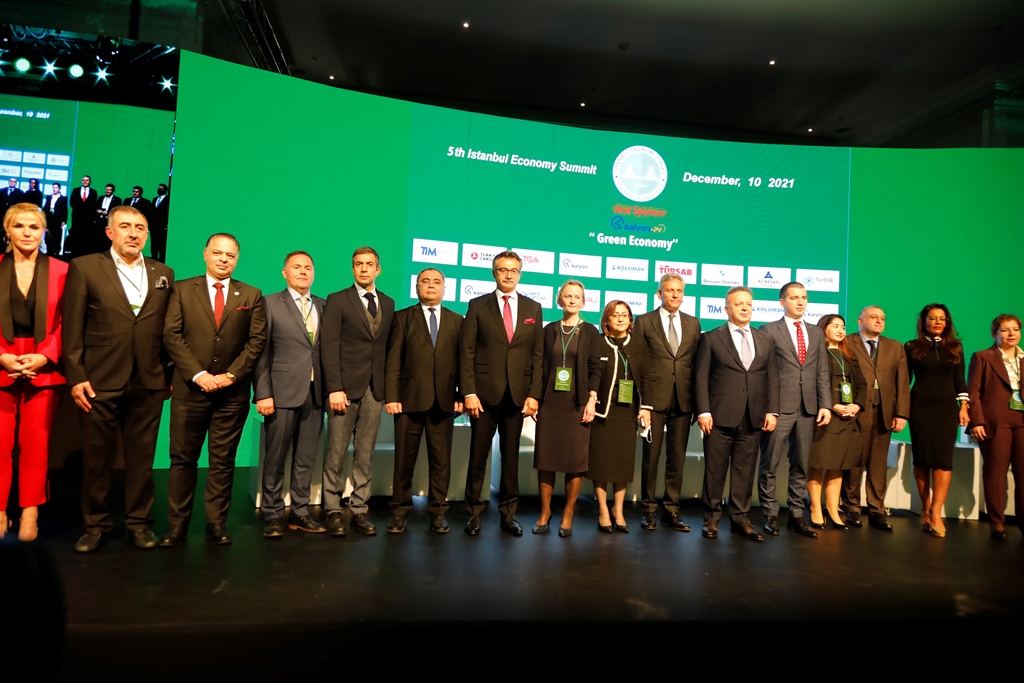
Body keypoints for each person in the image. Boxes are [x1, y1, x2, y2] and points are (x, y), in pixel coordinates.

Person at [64, 205, 175, 553]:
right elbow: (72, 326)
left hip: (149, 380)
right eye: (125, 226)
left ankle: (139, 523)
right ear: (109, 232)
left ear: (147, 234)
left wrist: (168, 373)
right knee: (98, 460)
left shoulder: (163, 272)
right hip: (99, 379)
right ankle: (95, 525)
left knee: (142, 460)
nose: (133, 233)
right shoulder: (85, 267)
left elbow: (168, 330)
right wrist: (76, 375)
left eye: (140, 228)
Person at [160, 233, 266, 547]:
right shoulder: (181, 289)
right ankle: (177, 526)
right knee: (183, 460)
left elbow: (256, 341)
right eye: (218, 253)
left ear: (237, 259)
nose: (224, 259)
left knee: (223, 462)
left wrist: (231, 375)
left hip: (231, 395)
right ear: (206, 254)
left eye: (230, 255)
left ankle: (216, 523)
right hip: (190, 391)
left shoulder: (251, 294)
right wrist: (198, 374)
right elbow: (171, 335)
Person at [460, 250, 544, 536]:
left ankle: (509, 513)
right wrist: (468, 391)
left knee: (511, 459)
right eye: (502, 270)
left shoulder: (534, 308)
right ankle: (473, 513)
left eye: (513, 270)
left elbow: (537, 355)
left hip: (518, 396)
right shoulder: (477, 305)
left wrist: (534, 394)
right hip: (482, 396)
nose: (508, 274)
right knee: (478, 456)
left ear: (520, 274)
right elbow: (467, 352)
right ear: (494, 273)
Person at [0, 204, 66, 541]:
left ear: (44, 232)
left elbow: (71, 320)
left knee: (36, 444)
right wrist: (2, 357)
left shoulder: (62, 270)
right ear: (7, 230)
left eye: (34, 227)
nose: (27, 233)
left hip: (44, 366)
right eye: (19, 226)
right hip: (2, 364)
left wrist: (45, 355)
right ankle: (0, 511)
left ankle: (30, 511)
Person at [321, 246, 395, 537]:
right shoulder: (338, 299)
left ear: (378, 269)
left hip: (375, 390)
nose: (364, 268)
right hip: (344, 390)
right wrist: (334, 388)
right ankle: (332, 510)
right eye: (358, 264)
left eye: (369, 264)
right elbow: (329, 347)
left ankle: (360, 509)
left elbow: (385, 348)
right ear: (352, 269)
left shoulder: (388, 303)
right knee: (336, 452)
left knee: (365, 453)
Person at [694, 286, 778, 542]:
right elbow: (700, 378)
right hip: (719, 416)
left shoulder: (765, 339)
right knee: (715, 470)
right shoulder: (711, 338)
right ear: (726, 308)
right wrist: (703, 411)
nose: (744, 308)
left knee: (745, 471)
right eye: (739, 304)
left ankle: (740, 517)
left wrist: (772, 411)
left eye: (748, 304)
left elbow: (772, 378)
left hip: (753, 416)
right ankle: (711, 517)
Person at [253, 251, 326, 538]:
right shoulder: (269, 303)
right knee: (275, 458)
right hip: (280, 393)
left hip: (315, 394)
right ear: (285, 272)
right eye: (297, 267)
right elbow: (260, 352)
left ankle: (300, 512)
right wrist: (263, 393)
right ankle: (272, 514)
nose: (303, 272)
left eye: (308, 267)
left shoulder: (323, 305)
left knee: (305, 459)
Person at [384, 268, 463, 534]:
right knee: (403, 462)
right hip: (408, 402)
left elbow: (463, 363)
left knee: (441, 463)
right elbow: (393, 361)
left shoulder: (457, 320)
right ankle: (399, 511)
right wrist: (392, 396)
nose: (431, 285)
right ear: (417, 287)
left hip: (444, 402)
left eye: (436, 282)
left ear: (444, 287)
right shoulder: (402, 318)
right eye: (425, 281)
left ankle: (438, 512)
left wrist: (461, 395)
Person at [758, 282, 831, 539]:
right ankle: (769, 514)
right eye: (794, 298)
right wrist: (768, 408)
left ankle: (797, 515)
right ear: (782, 302)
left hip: (808, 408)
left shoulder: (816, 332)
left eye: (804, 297)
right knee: (770, 463)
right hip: (779, 408)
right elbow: (763, 373)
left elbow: (822, 371)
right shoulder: (769, 330)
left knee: (801, 465)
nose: (800, 302)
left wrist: (825, 404)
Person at [532, 280, 600, 537]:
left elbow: (595, 368)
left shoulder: (590, 331)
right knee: (546, 460)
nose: (572, 300)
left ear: (583, 301)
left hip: (577, 404)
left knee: (574, 462)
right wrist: (535, 398)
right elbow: (539, 366)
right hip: (550, 403)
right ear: (560, 299)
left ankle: (568, 513)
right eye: (568, 296)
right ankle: (545, 512)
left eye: (577, 297)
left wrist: (592, 399)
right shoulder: (549, 329)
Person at [635, 273, 700, 531]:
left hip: (683, 400)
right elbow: (639, 363)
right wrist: (644, 403)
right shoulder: (644, 321)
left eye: (679, 291)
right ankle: (649, 510)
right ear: (659, 294)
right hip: (653, 400)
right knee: (651, 457)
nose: (675, 295)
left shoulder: (693, 323)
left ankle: (671, 511)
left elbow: (696, 364)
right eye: (670, 290)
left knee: (677, 458)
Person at [841, 306, 910, 530]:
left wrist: (901, 413)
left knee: (878, 465)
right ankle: (851, 507)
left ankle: (877, 510)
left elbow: (902, 383)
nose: (879, 321)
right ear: (860, 321)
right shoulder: (847, 342)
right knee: (854, 461)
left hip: (884, 413)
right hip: (856, 410)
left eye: (882, 318)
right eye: (873, 317)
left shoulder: (895, 347)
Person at [905, 303, 969, 539]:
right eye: (932, 318)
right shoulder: (912, 347)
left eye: (942, 318)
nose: (937, 322)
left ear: (947, 322)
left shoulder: (955, 347)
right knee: (922, 460)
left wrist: (964, 407)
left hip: (946, 410)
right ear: (924, 322)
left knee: (943, 461)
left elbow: (960, 381)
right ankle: (925, 507)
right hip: (919, 408)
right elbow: (904, 380)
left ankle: (936, 513)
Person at [587, 301, 649, 533]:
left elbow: (646, 376)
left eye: (625, 315)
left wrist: (646, 407)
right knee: (601, 463)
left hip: (628, 411)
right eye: (615, 315)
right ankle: (603, 509)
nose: (621, 319)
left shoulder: (639, 343)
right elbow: (591, 373)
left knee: (622, 463)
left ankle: (618, 510)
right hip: (603, 412)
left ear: (630, 320)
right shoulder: (598, 342)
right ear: (607, 320)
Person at [967, 314, 1024, 541]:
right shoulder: (983, 357)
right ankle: (997, 522)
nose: (1011, 334)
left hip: (1022, 420)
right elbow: (973, 393)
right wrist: (977, 421)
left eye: (1015, 329)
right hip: (995, 421)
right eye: (1005, 330)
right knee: (996, 472)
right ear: (994, 334)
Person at [807, 314, 867, 531]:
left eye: (843, 326)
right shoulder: (817, 353)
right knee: (818, 463)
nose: (841, 330)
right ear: (824, 328)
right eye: (835, 326)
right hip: (825, 417)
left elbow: (861, 385)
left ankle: (833, 510)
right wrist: (832, 405)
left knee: (837, 465)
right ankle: (815, 508)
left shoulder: (850, 356)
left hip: (848, 418)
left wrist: (857, 405)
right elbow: (814, 384)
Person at [68, 175, 97, 258]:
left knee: (85, 237)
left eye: (87, 180)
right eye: (83, 180)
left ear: (90, 182)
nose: (85, 181)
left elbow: (93, 205)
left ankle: (84, 254)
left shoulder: (93, 192)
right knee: (75, 236)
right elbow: (72, 202)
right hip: (76, 219)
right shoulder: (76, 190)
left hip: (87, 220)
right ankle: (74, 254)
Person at [43, 184, 67, 258]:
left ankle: (56, 252)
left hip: (57, 219)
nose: (54, 189)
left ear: (59, 189)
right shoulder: (49, 197)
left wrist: (63, 220)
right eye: (53, 187)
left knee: (56, 236)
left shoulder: (63, 198)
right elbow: (45, 207)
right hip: (49, 218)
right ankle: (48, 251)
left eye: (56, 187)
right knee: (48, 235)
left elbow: (64, 210)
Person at [150, 184, 170, 263]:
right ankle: (153, 257)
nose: (159, 190)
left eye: (161, 189)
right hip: (154, 226)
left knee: (161, 243)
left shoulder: (168, 199)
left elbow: (167, 213)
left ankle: (161, 260)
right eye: (159, 188)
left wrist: (166, 225)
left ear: (165, 190)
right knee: (153, 242)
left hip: (162, 226)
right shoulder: (155, 199)